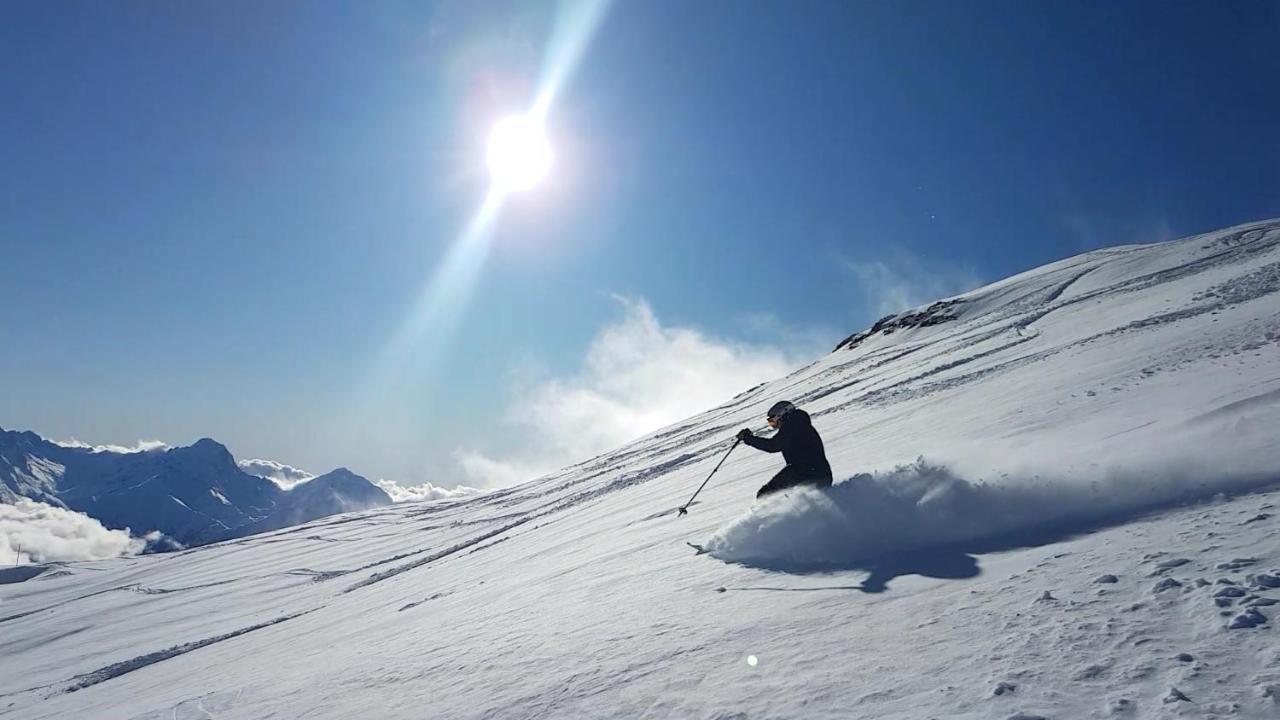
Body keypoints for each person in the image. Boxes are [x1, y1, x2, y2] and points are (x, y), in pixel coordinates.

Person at [737, 400, 833, 498]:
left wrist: (748, 438)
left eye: (773, 422)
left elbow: (773, 445)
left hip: (804, 472)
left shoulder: (793, 425)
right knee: (790, 497)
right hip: (820, 474)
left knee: (766, 493)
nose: (774, 426)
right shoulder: (798, 424)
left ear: (782, 415)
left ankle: (767, 512)